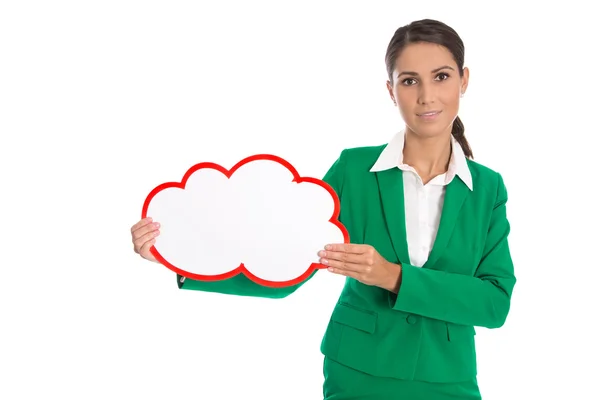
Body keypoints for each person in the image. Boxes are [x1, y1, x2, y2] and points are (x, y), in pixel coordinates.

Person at [130, 18, 516, 400]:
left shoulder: (488, 188)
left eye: (442, 77)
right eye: (410, 80)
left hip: (447, 377)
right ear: (390, 90)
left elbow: (495, 302)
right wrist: (178, 259)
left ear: (464, 80)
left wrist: (392, 276)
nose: (426, 96)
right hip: (358, 373)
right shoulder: (353, 170)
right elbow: (285, 268)